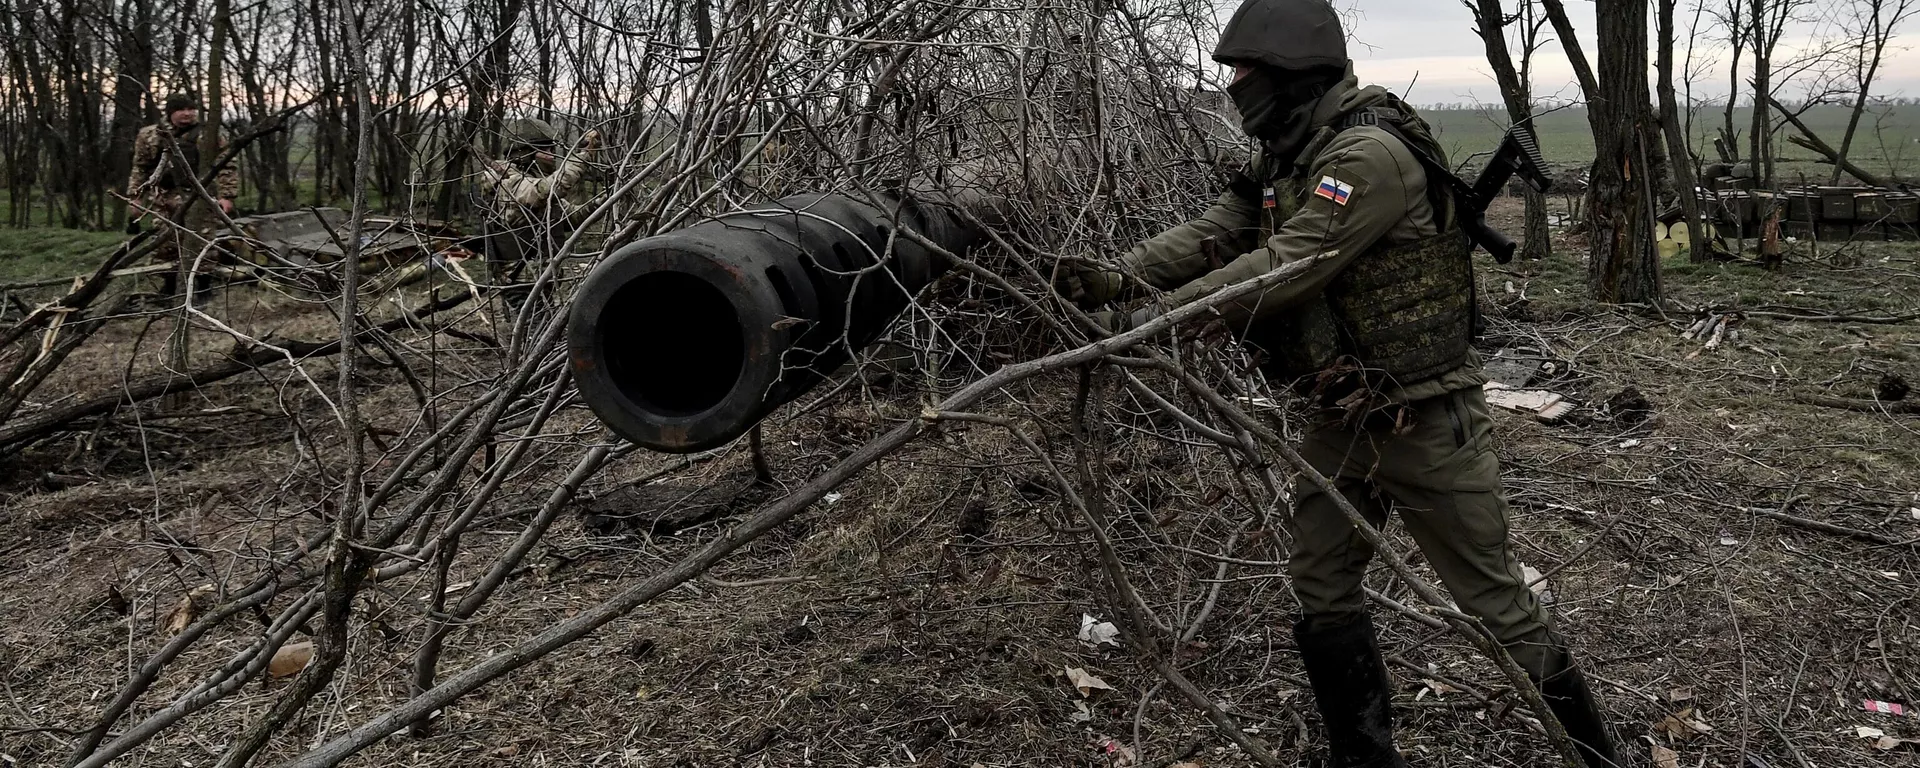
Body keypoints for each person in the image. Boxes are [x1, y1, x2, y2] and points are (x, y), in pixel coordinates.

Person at [1060, 1, 1622, 766]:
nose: (1237, 88)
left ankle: (1596, 756)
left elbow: (1289, 266)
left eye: (1246, 73)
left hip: (1425, 425)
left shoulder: (1365, 157)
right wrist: (1110, 279)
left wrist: (1157, 317)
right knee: (1321, 586)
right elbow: (1213, 232)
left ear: (1291, 71)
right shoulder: (1289, 154)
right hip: (1341, 417)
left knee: (1496, 605)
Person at [477, 118, 599, 330]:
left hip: (541, 275)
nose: (552, 155)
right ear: (524, 153)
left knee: (544, 332)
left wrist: (602, 202)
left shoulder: (531, 179)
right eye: (546, 150)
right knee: (534, 335)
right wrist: (584, 157)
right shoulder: (505, 181)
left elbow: (569, 217)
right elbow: (542, 192)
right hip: (520, 279)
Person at [127, 93, 240, 297]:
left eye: (191, 109)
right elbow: (140, 168)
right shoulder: (151, 135)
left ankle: (204, 288)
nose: (187, 114)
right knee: (166, 243)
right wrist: (135, 197)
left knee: (202, 240)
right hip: (163, 198)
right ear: (170, 113)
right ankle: (170, 288)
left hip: (200, 196)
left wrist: (228, 195)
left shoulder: (209, 133)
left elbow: (227, 164)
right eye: (181, 110)